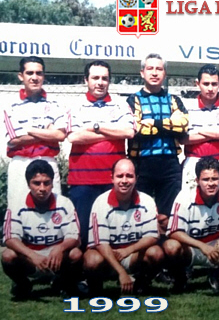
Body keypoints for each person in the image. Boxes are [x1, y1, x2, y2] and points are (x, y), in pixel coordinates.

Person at [67, 60, 136, 249]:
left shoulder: (120, 105)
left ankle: (114, 264)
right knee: (82, 231)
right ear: (86, 80)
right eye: (95, 77)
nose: (100, 82)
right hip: (83, 179)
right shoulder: (76, 106)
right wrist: (111, 132)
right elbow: (73, 136)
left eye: (104, 78)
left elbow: (128, 132)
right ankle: (83, 266)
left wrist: (96, 127)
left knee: (115, 229)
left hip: (113, 179)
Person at [163, 156, 219, 294]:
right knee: (171, 246)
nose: (211, 184)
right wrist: (202, 246)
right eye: (205, 179)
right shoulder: (185, 196)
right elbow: (174, 231)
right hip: (195, 248)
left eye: (214, 179)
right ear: (197, 181)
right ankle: (181, 277)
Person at [2, 159, 81, 299]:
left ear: (52, 183)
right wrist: (32, 255)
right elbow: (10, 238)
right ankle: (23, 284)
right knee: (8, 256)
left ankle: (63, 282)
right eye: (36, 183)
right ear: (28, 184)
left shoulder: (64, 203)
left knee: (76, 254)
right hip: (30, 258)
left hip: (56, 256)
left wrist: (60, 248)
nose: (42, 188)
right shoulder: (17, 205)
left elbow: (75, 236)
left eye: (46, 183)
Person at [84, 158, 163, 295]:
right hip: (107, 256)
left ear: (136, 178)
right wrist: (121, 272)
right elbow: (100, 243)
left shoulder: (147, 200)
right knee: (92, 260)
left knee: (156, 253)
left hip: (132, 255)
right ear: (112, 178)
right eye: (120, 176)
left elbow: (152, 236)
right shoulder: (101, 202)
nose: (124, 180)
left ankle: (140, 282)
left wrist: (128, 250)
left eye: (129, 176)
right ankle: (96, 287)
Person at [127, 53, 188, 223]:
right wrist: (169, 127)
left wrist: (155, 123)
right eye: (150, 68)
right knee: (140, 214)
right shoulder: (133, 100)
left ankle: (165, 240)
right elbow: (137, 129)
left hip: (169, 164)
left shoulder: (174, 100)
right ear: (142, 73)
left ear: (165, 73)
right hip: (141, 164)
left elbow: (183, 125)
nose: (154, 73)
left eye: (159, 69)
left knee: (168, 216)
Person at [3, 56, 67, 210]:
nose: (34, 77)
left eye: (39, 73)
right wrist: (47, 131)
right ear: (21, 76)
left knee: (52, 211)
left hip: (48, 161)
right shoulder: (10, 105)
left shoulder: (55, 105)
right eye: (29, 73)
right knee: (18, 211)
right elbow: (14, 140)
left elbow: (60, 136)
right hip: (20, 163)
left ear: (43, 76)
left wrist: (29, 130)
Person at [181, 64, 219, 190]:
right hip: (193, 162)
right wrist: (217, 134)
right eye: (206, 84)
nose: (210, 88)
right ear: (197, 84)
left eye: (214, 84)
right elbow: (183, 139)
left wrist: (199, 131)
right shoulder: (187, 107)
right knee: (191, 199)